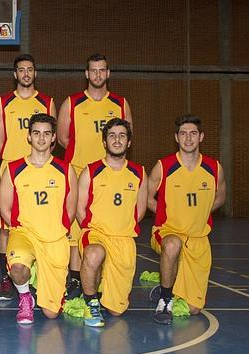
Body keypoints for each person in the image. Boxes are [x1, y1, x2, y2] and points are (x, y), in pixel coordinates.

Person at [57, 53, 133, 300]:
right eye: (93, 70)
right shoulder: (72, 102)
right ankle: (76, 279)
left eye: (102, 70)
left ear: (108, 73)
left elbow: (126, 135)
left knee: (104, 226)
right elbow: (62, 139)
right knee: (76, 229)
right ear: (86, 74)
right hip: (79, 171)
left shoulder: (121, 104)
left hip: (109, 175)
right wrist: (81, 162)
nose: (98, 75)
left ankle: (101, 276)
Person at [148, 115, 226, 324]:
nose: (188, 138)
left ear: (201, 137)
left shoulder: (213, 167)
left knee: (194, 310)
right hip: (167, 231)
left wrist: (201, 212)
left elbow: (220, 196)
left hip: (198, 238)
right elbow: (145, 197)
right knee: (173, 244)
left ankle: (167, 284)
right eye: (183, 134)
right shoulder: (164, 166)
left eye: (193, 133)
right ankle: (165, 299)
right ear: (176, 138)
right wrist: (164, 212)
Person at [0, 113, 77, 324]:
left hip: (54, 238)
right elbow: (5, 208)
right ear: (29, 137)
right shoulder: (14, 169)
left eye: (46, 134)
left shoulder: (66, 170)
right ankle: (25, 297)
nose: (41, 138)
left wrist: (54, 231)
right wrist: (21, 229)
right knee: (17, 268)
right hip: (24, 233)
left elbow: (70, 210)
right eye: (36, 133)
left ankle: (41, 275)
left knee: (51, 314)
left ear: (53, 138)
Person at [0, 54, 56, 300]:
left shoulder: (47, 102)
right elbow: (1, 141)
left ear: (35, 73)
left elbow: (51, 139)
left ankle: (39, 272)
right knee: (7, 228)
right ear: (15, 74)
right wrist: (11, 164)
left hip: (40, 169)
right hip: (13, 168)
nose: (26, 74)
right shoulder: (3, 102)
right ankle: (6, 278)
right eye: (21, 70)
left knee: (40, 223)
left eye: (30, 69)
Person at [76, 118, 147, 327]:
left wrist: (121, 227)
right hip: (96, 232)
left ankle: (101, 290)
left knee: (117, 310)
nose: (117, 140)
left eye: (122, 136)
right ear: (105, 142)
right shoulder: (91, 171)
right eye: (112, 136)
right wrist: (91, 229)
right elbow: (80, 209)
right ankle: (90, 303)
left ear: (129, 142)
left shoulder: (139, 173)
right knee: (94, 253)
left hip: (123, 238)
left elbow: (140, 210)